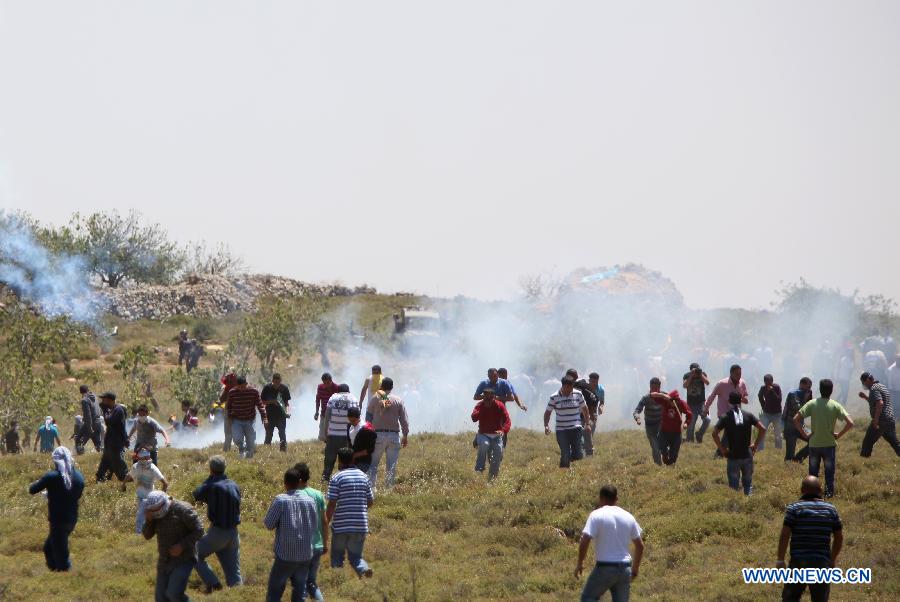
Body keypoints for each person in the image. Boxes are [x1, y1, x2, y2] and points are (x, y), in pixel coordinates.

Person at [777, 476, 843, 602]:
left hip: (798, 563)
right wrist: (832, 560)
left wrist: (780, 560)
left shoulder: (794, 508)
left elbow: (785, 535)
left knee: (790, 598)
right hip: (821, 564)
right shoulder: (831, 509)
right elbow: (839, 537)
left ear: (802, 490)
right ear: (821, 490)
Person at [576, 484, 644, 602]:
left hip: (605, 567)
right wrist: (635, 570)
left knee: (588, 597)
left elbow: (585, 540)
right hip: (625, 570)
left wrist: (580, 563)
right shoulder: (628, 516)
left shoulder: (596, 515)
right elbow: (640, 546)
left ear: (600, 498)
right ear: (616, 499)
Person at [264, 466, 320, 601]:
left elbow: (268, 524)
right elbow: (314, 526)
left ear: (285, 483)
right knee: (300, 592)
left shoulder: (280, 500)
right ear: (300, 481)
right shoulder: (310, 501)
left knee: (274, 592)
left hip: (285, 554)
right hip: (305, 554)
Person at [792, 379, 854, 498]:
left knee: (813, 474)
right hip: (829, 445)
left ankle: (812, 495)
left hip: (814, 444)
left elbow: (795, 419)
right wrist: (839, 435)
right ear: (831, 390)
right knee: (829, 473)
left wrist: (805, 435)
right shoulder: (835, 405)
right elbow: (850, 423)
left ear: (819, 390)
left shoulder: (812, 403)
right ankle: (829, 495)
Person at [28, 446, 85, 571]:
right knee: (49, 548)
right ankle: (55, 572)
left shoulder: (52, 477)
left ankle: (63, 575)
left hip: (58, 520)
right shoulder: (79, 477)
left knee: (61, 555)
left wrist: (43, 482)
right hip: (72, 519)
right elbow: (75, 495)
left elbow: (32, 490)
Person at [142, 490, 204, 602]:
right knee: (161, 598)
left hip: (184, 559)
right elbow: (147, 535)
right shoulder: (153, 514)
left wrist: (181, 545)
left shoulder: (183, 510)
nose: (156, 513)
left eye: (157, 510)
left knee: (174, 594)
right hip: (164, 561)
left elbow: (199, 530)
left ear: (164, 502)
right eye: (153, 511)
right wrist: (149, 521)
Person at [193, 456, 243, 593]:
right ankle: (238, 595)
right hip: (233, 533)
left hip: (218, 532)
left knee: (192, 553)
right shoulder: (234, 485)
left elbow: (196, 494)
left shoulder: (212, 486)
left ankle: (214, 585)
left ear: (211, 469)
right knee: (234, 575)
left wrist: (210, 478)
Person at [326, 448, 375, 579]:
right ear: (353, 459)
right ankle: (364, 570)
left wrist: (326, 521)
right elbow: (370, 501)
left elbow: (332, 503)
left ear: (339, 461)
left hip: (341, 526)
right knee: (356, 557)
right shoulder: (363, 476)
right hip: (360, 525)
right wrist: (359, 510)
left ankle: (338, 580)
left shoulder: (336, 477)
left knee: (337, 557)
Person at [712, 392, 767, 495]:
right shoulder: (748, 415)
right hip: (747, 454)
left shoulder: (725, 417)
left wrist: (722, 449)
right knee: (748, 485)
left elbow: (714, 433)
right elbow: (763, 429)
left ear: (729, 401)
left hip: (733, 456)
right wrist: (755, 445)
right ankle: (749, 506)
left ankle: (735, 509)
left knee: (733, 488)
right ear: (741, 400)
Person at [368, 376, 410, 493]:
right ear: (392, 387)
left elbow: (368, 416)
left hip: (377, 435)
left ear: (381, 386)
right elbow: (404, 420)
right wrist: (405, 435)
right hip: (393, 436)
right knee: (391, 466)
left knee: (373, 464)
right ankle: (388, 490)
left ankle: (371, 490)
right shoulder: (398, 400)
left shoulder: (375, 398)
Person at [294, 462, 328, 601]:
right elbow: (325, 521)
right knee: (311, 582)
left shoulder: (294, 495)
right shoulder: (318, 494)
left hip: (302, 546)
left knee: (300, 584)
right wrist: (325, 543)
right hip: (318, 545)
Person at [545, 376, 592, 469]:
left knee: (578, 454)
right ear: (563, 386)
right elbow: (547, 412)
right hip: (561, 430)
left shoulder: (578, 394)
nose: (569, 390)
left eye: (571, 388)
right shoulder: (554, 397)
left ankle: (566, 459)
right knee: (565, 453)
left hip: (576, 428)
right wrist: (546, 425)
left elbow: (585, 409)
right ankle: (564, 470)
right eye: (567, 388)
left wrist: (587, 423)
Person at [703, 365, 749, 458]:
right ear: (731, 373)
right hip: (724, 413)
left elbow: (745, 399)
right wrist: (706, 408)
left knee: (736, 433)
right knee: (729, 432)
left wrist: (741, 398)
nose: (739, 376)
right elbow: (712, 396)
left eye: (740, 373)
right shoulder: (722, 384)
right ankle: (720, 453)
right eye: (737, 374)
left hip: (737, 412)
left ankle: (729, 452)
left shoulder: (742, 383)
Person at [121, 448, 169, 534]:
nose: (140, 461)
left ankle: (141, 535)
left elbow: (165, 483)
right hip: (140, 497)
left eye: (142, 459)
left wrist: (162, 497)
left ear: (147, 458)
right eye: (139, 459)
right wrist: (123, 484)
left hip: (150, 498)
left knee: (145, 517)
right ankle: (144, 534)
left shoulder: (153, 469)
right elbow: (129, 475)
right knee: (144, 517)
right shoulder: (136, 466)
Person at [471, 388, 512, 480]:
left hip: (497, 436)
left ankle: (492, 476)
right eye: (486, 397)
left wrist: (503, 430)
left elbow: (507, 420)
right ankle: (479, 470)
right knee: (484, 445)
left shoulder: (499, 405)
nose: (488, 399)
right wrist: (484, 408)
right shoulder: (480, 405)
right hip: (483, 434)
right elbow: (474, 418)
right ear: (484, 397)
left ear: (494, 397)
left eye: (490, 397)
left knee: (498, 451)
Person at [858, 372, 900, 457]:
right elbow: (877, 401)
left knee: (868, 441)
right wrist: (865, 397)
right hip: (890, 419)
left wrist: (876, 420)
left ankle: (864, 460)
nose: (863, 384)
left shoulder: (874, 389)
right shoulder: (882, 386)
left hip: (881, 420)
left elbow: (880, 403)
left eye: (863, 382)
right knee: (895, 443)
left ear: (868, 380)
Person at [226, 376, 268, 459]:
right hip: (237, 419)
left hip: (250, 420)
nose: (241, 389)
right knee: (237, 439)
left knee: (251, 440)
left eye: (243, 386)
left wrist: (265, 417)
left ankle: (249, 457)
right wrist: (230, 417)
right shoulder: (232, 392)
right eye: (239, 387)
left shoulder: (254, 392)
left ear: (246, 384)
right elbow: (229, 407)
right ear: (236, 385)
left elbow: (260, 405)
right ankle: (242, 449)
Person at [322, 384, 358, 481]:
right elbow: (356, 417)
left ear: (338, 391)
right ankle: (345, 479)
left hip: (333, 434)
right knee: (346, 459)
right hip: (347, 436)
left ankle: (325, 478)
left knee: (329, 459)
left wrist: (326, 432)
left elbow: (327, 416)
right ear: (348, 391)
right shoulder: (353, 398)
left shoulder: (333, 397)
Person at [649, 389, 692, 465]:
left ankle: (671, 462)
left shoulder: (681, 403)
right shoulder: (665, 402)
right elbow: (651, 395)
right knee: (662, 447)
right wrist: (662, 395)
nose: (672, 403)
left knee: (674, 455)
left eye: (674, 401)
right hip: (664, 431)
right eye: (671, 401)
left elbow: (689, 415)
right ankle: (665, 455)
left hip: (676, 433)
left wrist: (686, 423)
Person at [96, 392, 130, 484]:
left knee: (118, 461)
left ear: (110, 400)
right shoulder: (112, 409)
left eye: (104, 399)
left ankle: (126, 479)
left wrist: (104, 411)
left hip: (116, 443)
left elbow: (109, 421)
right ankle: (100, 477)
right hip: (110, 442)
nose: (102, 401)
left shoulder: (118, 410)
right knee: (106, 461)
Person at [632, 378, 665, 466]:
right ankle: (659, 466)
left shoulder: (664, 396)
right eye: (652, 388)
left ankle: (665, 460)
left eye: (656, 389)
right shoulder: (646, 398)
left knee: (662, 445)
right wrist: (637, 418)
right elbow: (636, 410)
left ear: (659, 387)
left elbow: (675, 404)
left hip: (661, 424)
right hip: (650, 426)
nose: (654, 391)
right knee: (655, 447)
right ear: (650, 387)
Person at [782, 378, 814, 463]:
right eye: (808, 387)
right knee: (789, 455)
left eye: (810, 387)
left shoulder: (804, 394)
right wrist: (805, 399)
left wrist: (809, 400)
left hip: (800, 425)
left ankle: (798, 459)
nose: (809, 389)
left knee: (814, 440)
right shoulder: (793, 394)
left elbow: (810, 409)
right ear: (801, 384)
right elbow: (798, 409)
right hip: (791, 426)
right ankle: (790, 465)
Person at [262, 373, 292, 452]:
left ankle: (283, 451)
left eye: (278, 382)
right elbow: (262, 401)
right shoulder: (267, 388)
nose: (276, 384)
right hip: (270, 415)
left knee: (282, 434)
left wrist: (288, 411)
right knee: (269, 434)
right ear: (272, 381)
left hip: (281, 416)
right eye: (275, 382)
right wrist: (272, 401)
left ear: (280, 381)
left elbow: (287, 403)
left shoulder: (284, 389)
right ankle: (266, 451)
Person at [683, 363, 711, 443]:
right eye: (694, 370)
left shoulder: (702, 374)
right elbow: (685, 385)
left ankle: (699, 434)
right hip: (691, 404)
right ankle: (689, 440)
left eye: (697, 369)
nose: (696, 371)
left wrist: (700, 375)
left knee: (707, 419)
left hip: (701, 403)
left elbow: (707, 382)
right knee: (691, 425)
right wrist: (691, 375)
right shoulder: (687, 375)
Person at [346, 406, 376, 474]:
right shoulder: (349, 426)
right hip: (352, 461)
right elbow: (349, 443)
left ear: (359, 417)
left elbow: (370, 450)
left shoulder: (367, 429)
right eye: (350, 420)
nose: (352, 422)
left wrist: (354, 455)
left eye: (353, 421)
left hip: (364, 462)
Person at [757, 374, 783, 451]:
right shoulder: (763, 388)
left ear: (772, 381)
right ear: (764, 382)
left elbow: (779, 400)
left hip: (777, 414)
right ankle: (760, 449)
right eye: (766, 382)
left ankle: (778, 449)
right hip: (766, 414)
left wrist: (772, 391)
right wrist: (763, 406)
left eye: (770, 381)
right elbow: (760, 396)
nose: (768, 383)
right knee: (762, 431)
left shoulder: (776, 387)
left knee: (778, 433)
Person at [76, 384, 104, 454]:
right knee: (97, 444)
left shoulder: (84, 400)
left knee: (78, 440)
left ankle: (80, 455)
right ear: (88, 390)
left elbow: (88, 415)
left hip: (91, 423)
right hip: (98, 422)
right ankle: (101, 455)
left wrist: (89, 427)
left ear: (81, 392)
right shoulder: (94, 396)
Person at [315, 373, 340, 443]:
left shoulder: (337, 388)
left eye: (328, 383)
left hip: (334, 414)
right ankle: (327, 445)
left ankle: (331, 447)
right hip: (324, 413)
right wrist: (316, 412)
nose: (326, 385)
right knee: (323, 434)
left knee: (333, 432)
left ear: (331, 381)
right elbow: (318, 399)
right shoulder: (320, 387)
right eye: (324, 383)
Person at [219, 372, 238, 452]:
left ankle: (227, 450)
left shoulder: (228, 389)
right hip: (238, 412)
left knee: (228, 433)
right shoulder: (239, 388)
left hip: (230, 412)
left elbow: (221, 399)